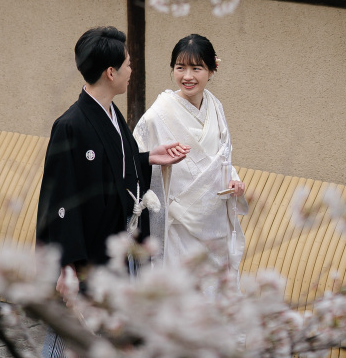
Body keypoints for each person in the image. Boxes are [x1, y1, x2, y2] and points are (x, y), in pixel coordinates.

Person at [36, 26, 189, 357]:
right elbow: (59, 199)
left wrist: (147, 158)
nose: (131, 70)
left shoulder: (112, 115)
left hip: (118, 249)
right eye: (128, 64)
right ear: (110, 72)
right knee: (72, 337)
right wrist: (66, 266)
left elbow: (116, 167)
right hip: (88, 256)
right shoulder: (71, 125)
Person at [133, 34, 247, 280]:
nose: (187, 76)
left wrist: (233, 180)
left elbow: (222, 155)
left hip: (215, 217)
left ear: (211, 70)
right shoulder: (159, 114)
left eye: (197, 68)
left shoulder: (215, 106)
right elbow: (137, 157)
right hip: (179, 221)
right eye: (180, 67)